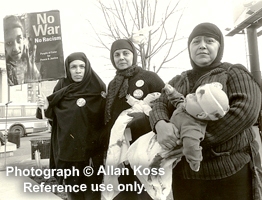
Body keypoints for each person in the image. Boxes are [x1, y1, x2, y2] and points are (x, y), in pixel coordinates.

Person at [149, 22, 262, 200]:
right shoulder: (179, 79)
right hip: (185, 177)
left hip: (229, 173)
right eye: (196, 42)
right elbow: (159, 104)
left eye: (209, 40)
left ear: (219, 46)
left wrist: (192, 140)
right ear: (189, 49)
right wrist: (160, 124)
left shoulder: (233, 72)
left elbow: (245, 112)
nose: (202, 45)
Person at [36, 52, 106, 200]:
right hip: (68, 154)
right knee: (74, 195)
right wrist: (47, 106)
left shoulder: (98, 89)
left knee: (92, 195)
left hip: (92, 155)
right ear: (67, 69)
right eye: (73, 67)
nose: (78, 70)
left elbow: (106, 118)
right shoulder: (60, 88)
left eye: (82, 66)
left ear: (87, 68)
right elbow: (54, 120)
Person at [102, 38, 165, 200]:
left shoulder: (150, 78)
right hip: (122, 149)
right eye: (117, 54)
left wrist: (140, 119)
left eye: (126, 53)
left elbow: (165, 107)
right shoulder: (112, 84)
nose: (121, 57)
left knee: (147, 192)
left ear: (134, 55)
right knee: (125, 192)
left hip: (145, 148)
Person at [164, 82, 229, 172]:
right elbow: (179, 101)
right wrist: (172, 93)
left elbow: (191, 146)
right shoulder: (187, 108)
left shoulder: (192, 127)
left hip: (166, 150)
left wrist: (195, 162)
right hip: (162, 139)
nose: (190, 95)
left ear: (201, 115)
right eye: (194, 93)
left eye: (195, 99)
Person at [4, 15, 40, 85]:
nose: (16, 48)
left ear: (24, 39)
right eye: (9, 43)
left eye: (18, 39)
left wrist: (36, 79)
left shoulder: (32, 65)